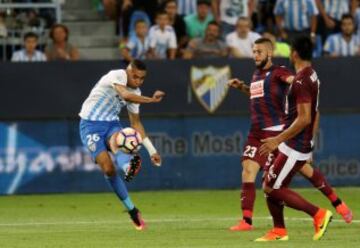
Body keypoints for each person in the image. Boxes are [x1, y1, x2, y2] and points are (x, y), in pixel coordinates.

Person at [227, 37, 352, 232]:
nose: (255, 55)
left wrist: (300, 84)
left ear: (269, 53)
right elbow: (259, 96)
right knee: (249, 171)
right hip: (257, 132)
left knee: (301, 171)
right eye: (253, 52)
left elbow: (295, 83)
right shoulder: (255, 76)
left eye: (258, 52)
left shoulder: (280, 72)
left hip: (277, 132)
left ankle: (336, 203)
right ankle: (247, 221)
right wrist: (242, 87)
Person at [255, 36, 333, 241]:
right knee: (269, 182)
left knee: (271, 188)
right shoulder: (311, 74)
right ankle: (279, 230)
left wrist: (277, 139)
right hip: (295, 142)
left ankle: (318, 214)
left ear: (295, 53)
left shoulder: (301, 80)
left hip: (294, 144)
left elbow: (305, 118)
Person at [79, 60, 165, 230]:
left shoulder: (136, 92)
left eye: (142, 79)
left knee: (123, 137)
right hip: (90, 125)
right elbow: (125, 95)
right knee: (108, 169)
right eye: (136, 77)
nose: (138, 81)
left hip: (111, 124)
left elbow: (136, 124)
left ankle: (128, 167)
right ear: (128, 71)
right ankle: (133, 211)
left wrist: (152, 150)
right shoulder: (117, 74)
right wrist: (151, 100)